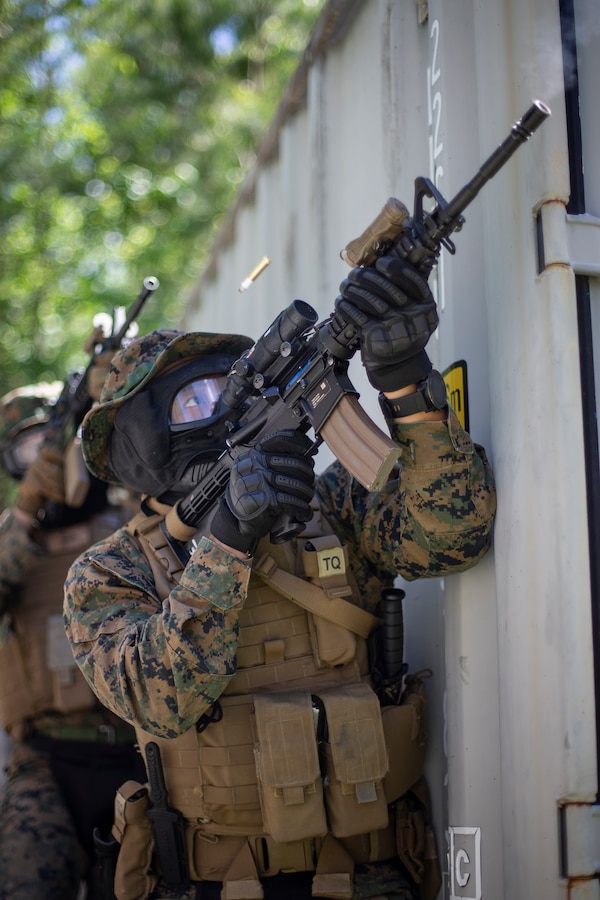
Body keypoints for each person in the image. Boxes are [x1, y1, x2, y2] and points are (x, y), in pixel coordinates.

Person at [64, 258, 496, 900]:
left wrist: (406, 386)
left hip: (371, 874)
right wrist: (229, 538)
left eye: (222, 387)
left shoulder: (332, 508)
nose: (214, 409)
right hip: (219, 883)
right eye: (191, 401)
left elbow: (452, 537)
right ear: (138, 446)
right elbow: (163, 700)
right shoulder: (107, 574)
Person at [0, 371, 146, 900]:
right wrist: (25, 515)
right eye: (31, 449)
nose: (48, 459)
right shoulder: (11, 539)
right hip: (46, 760)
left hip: (139, 755)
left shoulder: (131, 520)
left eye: (55, 444)